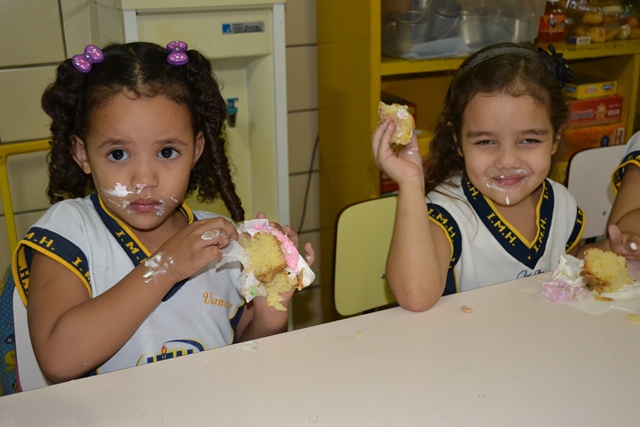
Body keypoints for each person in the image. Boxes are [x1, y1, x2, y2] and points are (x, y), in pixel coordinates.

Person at [12, 41, 314, 383]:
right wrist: (165, 267)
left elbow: (245, 356)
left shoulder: (221, 242)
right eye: (118, 154)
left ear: (196, 150)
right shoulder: (69, 230)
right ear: (82, 154)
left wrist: (270, 311)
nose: (144, 179)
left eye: (167, 152)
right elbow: (59, 359)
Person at [372, 42, 585, 312]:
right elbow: (415, 297)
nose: (507, 161)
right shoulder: (449, 213)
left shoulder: (562, 203)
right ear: (458, 141)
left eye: (529, 140)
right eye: (485, 142)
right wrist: (410, 184)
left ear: (555, 139)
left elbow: (569, 268)